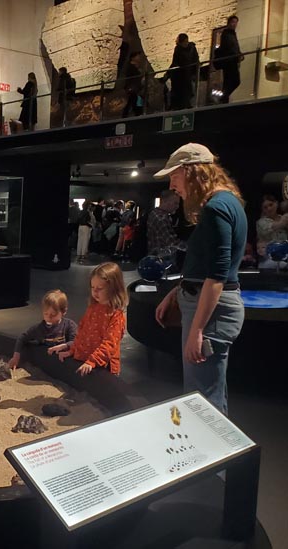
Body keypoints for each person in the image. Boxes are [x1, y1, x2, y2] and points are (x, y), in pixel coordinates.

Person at [154, 143, 247, 414]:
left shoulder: (217, 207)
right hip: (206, 307)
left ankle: (212, 453)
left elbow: (218, 276)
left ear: (192, 171)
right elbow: (208, 267)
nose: (172, 185)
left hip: (211, 314)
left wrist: (197, 330)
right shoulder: (227, 202)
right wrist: (176, 292)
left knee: (203, 398)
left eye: (174, 175)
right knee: (209, 390)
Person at [17, 263, 134, 414]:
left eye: (100, 288)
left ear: (113, 287)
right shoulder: (93, 308)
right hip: (86, 361)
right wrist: (72, 350)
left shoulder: (116, 317)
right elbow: (83, 334)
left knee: (105, 394)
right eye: (93, 288)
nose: (95, 292)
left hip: (103, 365)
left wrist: (93, 361)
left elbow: (109, 345)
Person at [8, 290, 77, 371]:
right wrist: (16, 357)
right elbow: (22, 338)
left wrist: (64, 346)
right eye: (46, 314)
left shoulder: (69, 325)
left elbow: (76, 341)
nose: (49, 317)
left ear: (63, 312)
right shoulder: (39, 328)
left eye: (53, 315)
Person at [166, 33, 200, 110]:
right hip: (181, 73)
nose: (185, 43)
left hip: (186, 72)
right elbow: (176, 62)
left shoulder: (190, 47)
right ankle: (182, 105)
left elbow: (195, 59)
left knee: (186, 89)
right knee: (182, 89)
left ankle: (184, 104)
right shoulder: (179, 49)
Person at [217, 16, 243, 103]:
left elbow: (234, 46)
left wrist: (239, 54)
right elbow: (229, 47)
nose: (234, 24)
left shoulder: (231, 34)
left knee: (229, 82)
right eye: (233, 22)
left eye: (236, 22)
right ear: (229, 23)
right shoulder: (227, 34)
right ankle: (224, 98)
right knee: (234, 80)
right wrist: (237, 54)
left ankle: (224, 98)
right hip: (229, 61)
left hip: (232, 60)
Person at [122, 51, 145, 117]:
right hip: (132, 88)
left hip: (135, 88)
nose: (139, 57)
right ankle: (136, 113)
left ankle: (136, 113)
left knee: (134, 100)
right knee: (133, 100)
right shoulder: (131, 67)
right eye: (138, 56)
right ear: (133, 57)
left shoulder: (135, 67)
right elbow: (132, 78)